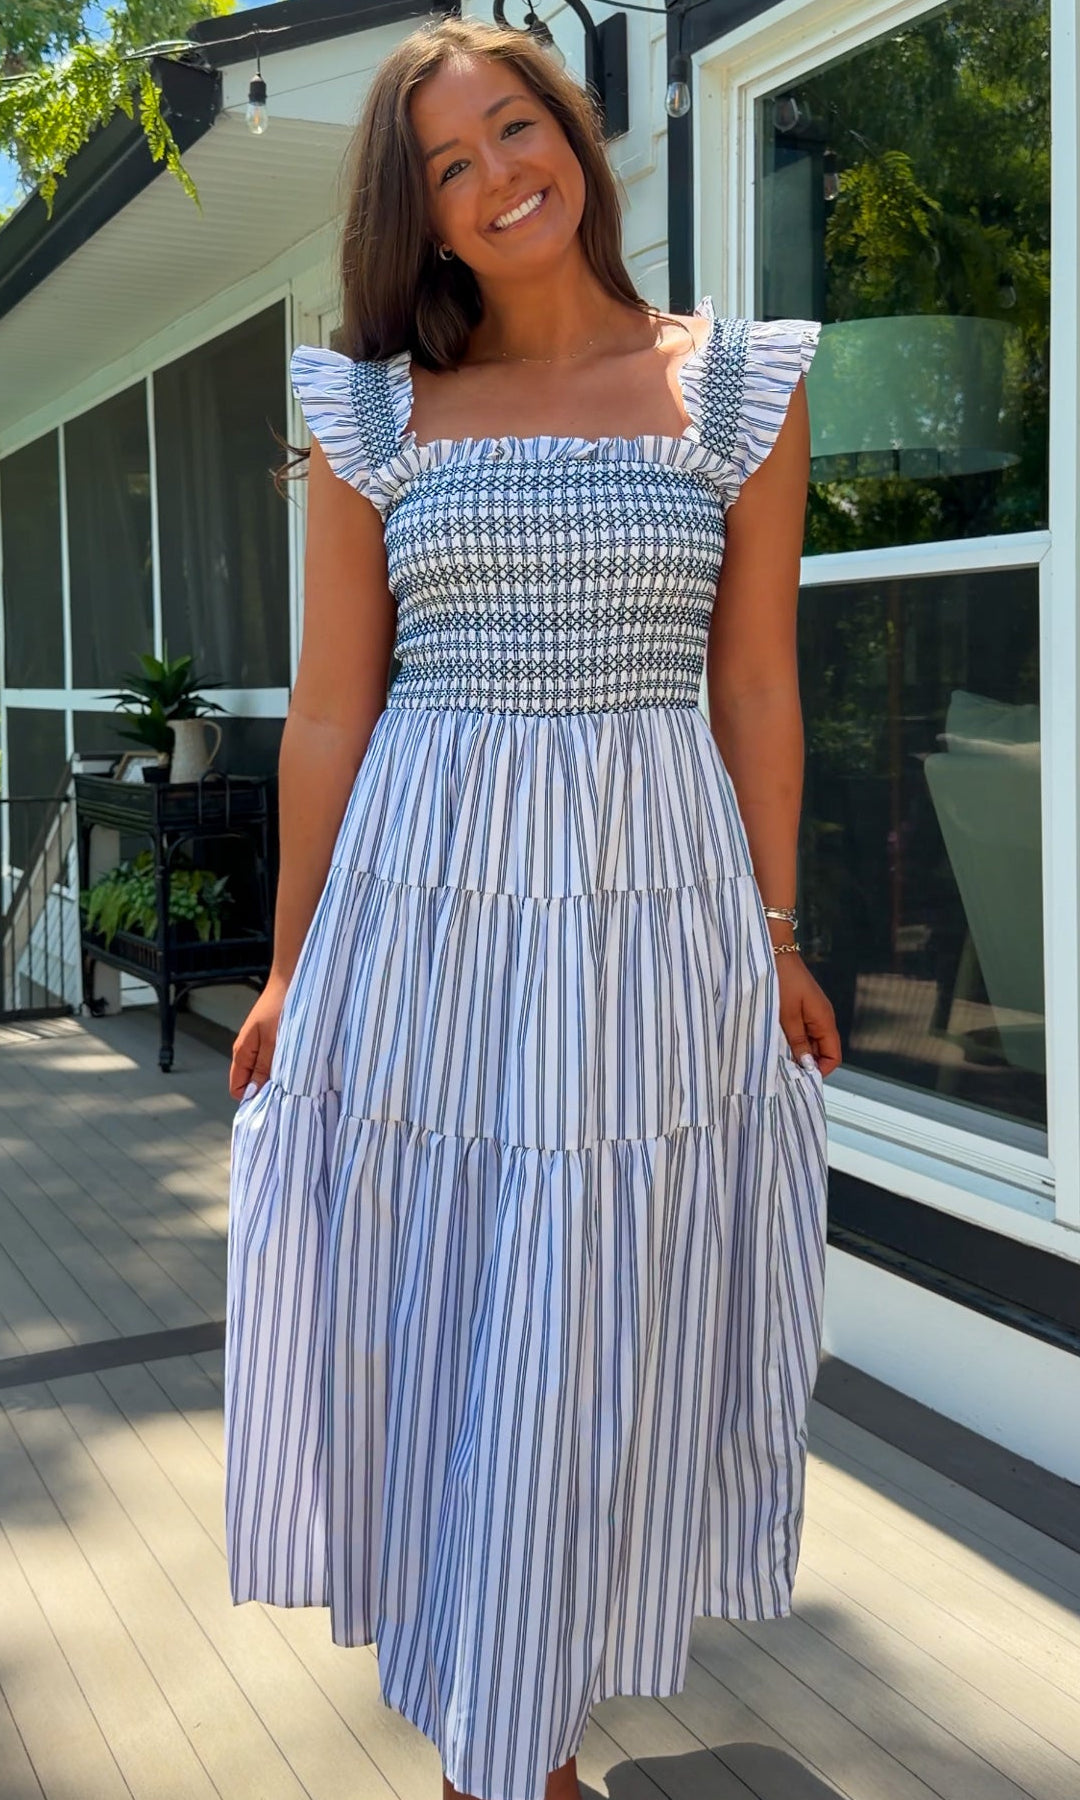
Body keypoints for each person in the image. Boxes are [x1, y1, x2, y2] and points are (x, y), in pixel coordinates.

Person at [224, 15, 842, 1800]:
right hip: (429, 909)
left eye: (517, 127)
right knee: (451, 1299)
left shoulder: (738, 386)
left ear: (574, 132)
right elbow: (331, 711)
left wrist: (780, 935)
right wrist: (287, 968)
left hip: (650, 911)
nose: (500, 175)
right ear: (417, 215)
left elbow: (757, 689)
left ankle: (518, 1737)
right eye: (450, 164)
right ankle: (507, 1745)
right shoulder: (374, 413)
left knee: (597, 1306)